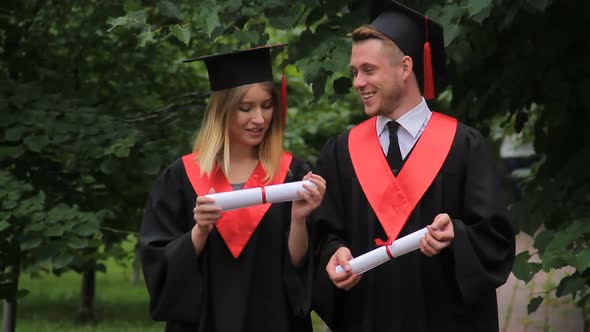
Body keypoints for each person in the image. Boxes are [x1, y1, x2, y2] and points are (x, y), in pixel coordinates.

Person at [311, 1, 515, 331]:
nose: (357, 82)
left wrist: (456, 238)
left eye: (368, 70)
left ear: (405, 68)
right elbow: (323, 233)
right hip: (368, 318)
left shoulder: (463, 146)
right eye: (354, 72)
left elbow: (495, 240)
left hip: (446, 319)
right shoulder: (340, 153)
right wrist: (334, 252)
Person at [139, 44, 325, 332]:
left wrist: (299, 219)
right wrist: (199, 231)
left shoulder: (292, 174)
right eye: (245, 108)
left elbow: (299, 267)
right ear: (222, 111)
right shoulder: (181, 177)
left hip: (273, 320)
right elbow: (159, 262)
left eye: (267, 105)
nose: (259, 119)